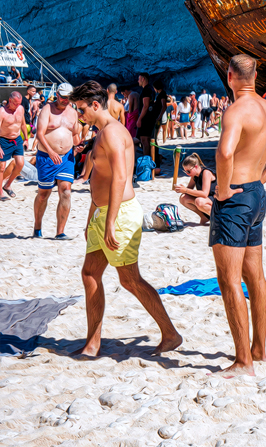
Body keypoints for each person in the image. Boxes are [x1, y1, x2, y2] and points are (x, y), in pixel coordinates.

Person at [69, 81, 182, 356]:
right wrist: (91, 218)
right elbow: (98, 178)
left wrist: (109, 222)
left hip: (117, 215)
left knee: (130, 280)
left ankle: (170, 334)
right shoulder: (102, 133)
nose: (78, 114)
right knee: (90, 274)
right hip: (102, 213)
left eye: (81, 109)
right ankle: (93, 343)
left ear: (96, 105)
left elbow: (121, 176)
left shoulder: (111, 134)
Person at [210, 53, 266, 376]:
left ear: (230, 76)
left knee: (229, 281)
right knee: (255, 275)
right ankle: (258, 349)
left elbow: (225, 151)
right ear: (255, 76)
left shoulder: (236, 110)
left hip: (236, 198)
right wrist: (261, 178)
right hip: (257, 194)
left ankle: (243, 362)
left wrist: (223, 190)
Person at [33, 82, 82, 239]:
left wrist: (78, 145)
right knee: (43, 194)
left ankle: (60, 232)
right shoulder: (47, 109)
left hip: (66, 158)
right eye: (63, 97)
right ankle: (37, 226)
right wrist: (51, 150)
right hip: (47, 157)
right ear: (57, 95)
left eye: (68, 98)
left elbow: (74, 135)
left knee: (66, 191)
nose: (65, 101)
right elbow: (40, 133)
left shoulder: (73, 112)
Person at [174, 152, 215, 222]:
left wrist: (185, 190)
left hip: (217, 199)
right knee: (183, 197)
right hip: (208, 200)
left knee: (199, 201)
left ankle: (218, 219)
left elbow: (204, 194)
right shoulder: (194, 176)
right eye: (185, 171)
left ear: (195, 167)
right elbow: (188, 190)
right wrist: (181, 189)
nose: (187, 173)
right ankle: (204, 217)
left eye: (188, 171)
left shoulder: (206, 172)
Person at [0, 91, 26, 199]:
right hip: (3, 140)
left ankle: (8, 185)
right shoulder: (2, 112)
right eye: (15, 104)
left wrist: (27, 139)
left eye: (19, 104)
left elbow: (23, 123)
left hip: (17, 139)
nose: (17, 106)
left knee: (20, 164)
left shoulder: (20, 109)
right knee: (1, 167)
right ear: (10, 101)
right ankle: (0, 192)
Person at [136, 74, 157, 155]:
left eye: (139, 79)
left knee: (144, 140)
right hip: (150, 117)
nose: (138, 81)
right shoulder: (151, 89)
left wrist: (140, 119)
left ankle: (146, 159)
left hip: (146, 118)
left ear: (143, 79)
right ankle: (149, 157)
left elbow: (146, 105)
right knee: (147, 140)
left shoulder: (146, 90)